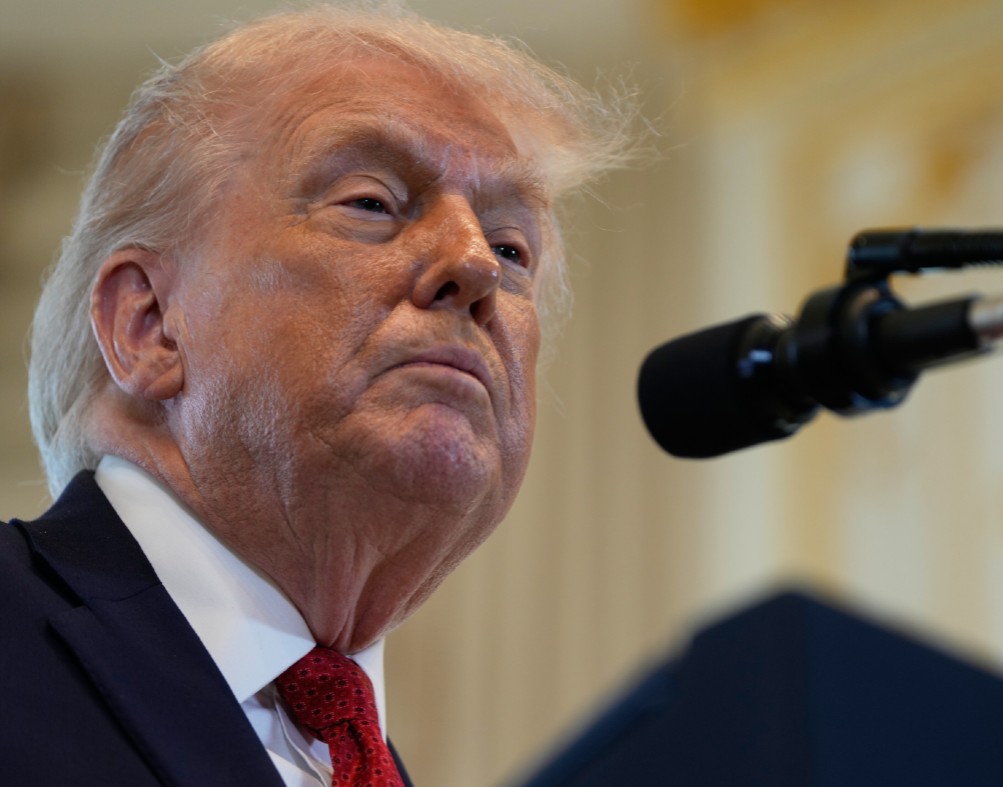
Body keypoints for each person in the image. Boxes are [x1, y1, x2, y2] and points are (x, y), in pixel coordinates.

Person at [1, 5, 632, 785]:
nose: (476, 267)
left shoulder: (349, 753)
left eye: (511, 247)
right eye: (371, 201)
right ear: (150, 325)